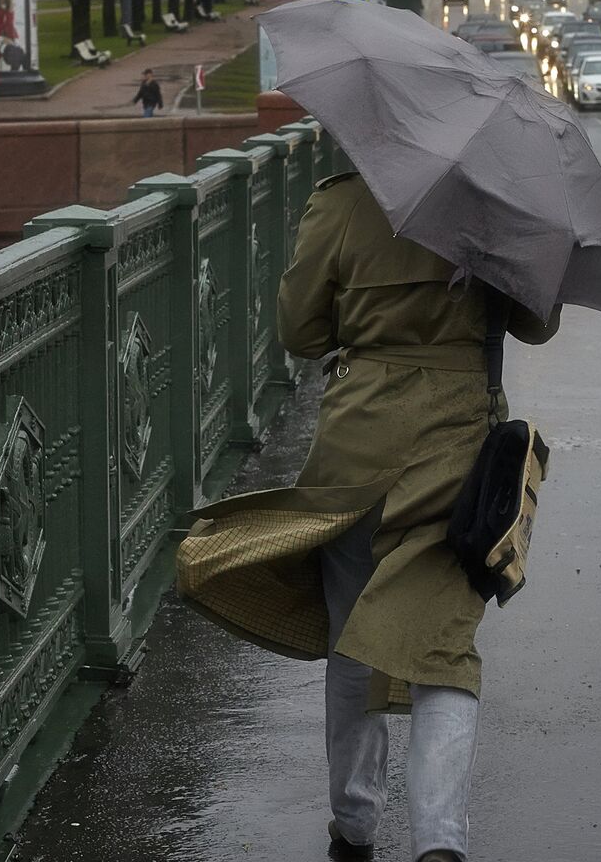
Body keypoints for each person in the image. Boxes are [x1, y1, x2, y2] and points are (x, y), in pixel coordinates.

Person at [179, 171, 560, 862]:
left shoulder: (345, 197)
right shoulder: (497, 199)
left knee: (353, 634)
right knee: (442, 647)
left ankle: (354, 823)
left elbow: (300, 331)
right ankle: (440, 843)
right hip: (457, 449)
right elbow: (538, 323)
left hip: (357, 449)